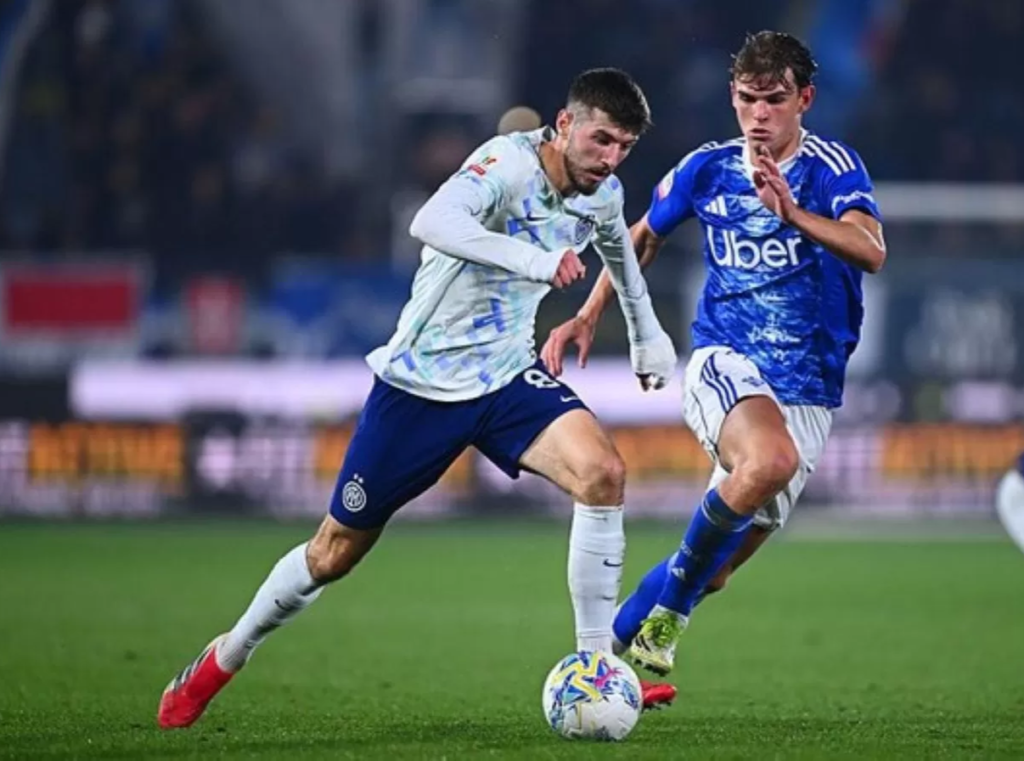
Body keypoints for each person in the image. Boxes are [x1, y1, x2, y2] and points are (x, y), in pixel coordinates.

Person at [157, 68, 679, 729]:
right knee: (332, 554)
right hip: (420, 387)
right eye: (601, 140)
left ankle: (596, 671)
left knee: (603, 473)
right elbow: (431, 220)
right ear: (565, 124)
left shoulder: (602, 195)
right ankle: (224, 656)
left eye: (625, 147)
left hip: (505, 376)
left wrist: (647, 336)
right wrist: (534, 261)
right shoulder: (505, 165)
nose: (610, 159)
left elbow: (622, 260)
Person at [541, 31, 887, 677]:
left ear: (805, 99)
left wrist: (793, 215)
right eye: (748, 99)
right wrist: (588, 314)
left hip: (807, 389)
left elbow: (871, 250)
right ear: (733, 97)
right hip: (725, 360)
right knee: (770, 459)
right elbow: (641, 237)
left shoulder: (832, 168)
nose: (759, 115)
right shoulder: (708, 167)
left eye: (774, 100)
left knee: (711, 568)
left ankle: (598, 667)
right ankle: (668, 619)